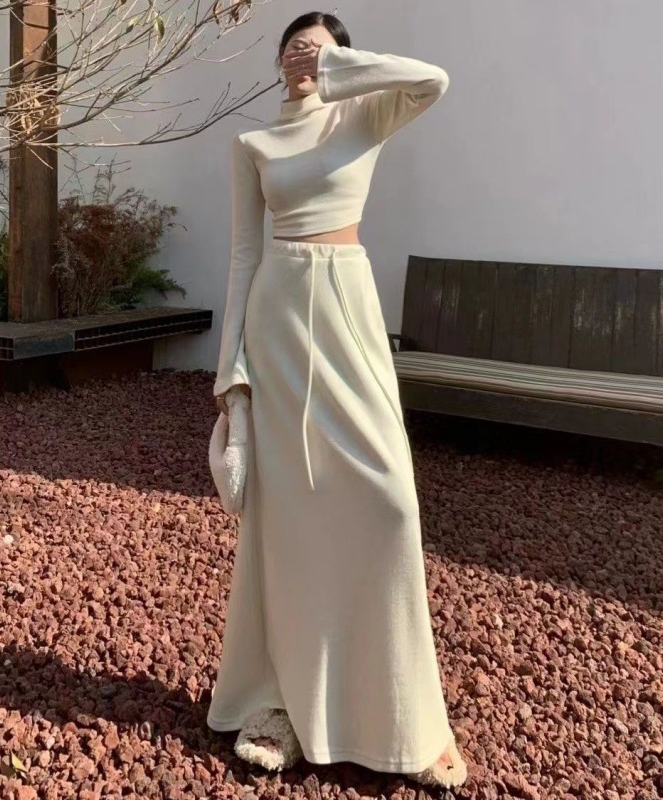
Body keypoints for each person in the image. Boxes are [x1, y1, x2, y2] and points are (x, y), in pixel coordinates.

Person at [207, 10, 467, 790]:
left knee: (389, 504)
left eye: (317, 47)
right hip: (278, 322)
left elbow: (433, 80)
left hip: (348, 311)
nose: (301, 56)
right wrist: (231, 377)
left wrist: (340, 70)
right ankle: (282, 702)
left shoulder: (364, 114)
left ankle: (409, 724)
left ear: (345, 60)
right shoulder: (254, 144)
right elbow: (243, 255)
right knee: (288, 519)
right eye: (292, 46)